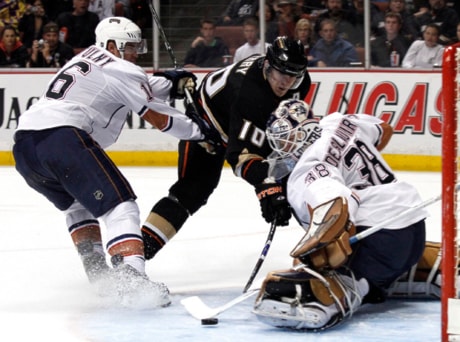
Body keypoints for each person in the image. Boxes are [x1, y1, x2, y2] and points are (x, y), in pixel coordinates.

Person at [12, 16, 207, 307]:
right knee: (120, 206)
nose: (135, 53)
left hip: (26, 149)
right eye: (130, 47)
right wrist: (203, 132)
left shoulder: (88, 58)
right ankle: (132, 280)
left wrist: (170, 81)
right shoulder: (120, 68)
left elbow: (138, 83)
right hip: (60, 139)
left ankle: (99, 275)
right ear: (111, 45)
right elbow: (160, 118)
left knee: (78, 207)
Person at [253, 99, 428, 331]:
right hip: (413, 224)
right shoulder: (339, 121)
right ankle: (423, 266)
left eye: (289, 139)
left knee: (304, 279)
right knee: (375, 259)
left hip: (380, 239)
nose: (284, 147)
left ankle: (354, 287)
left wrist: (311, 252)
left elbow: (334, 204)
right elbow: (383, 129)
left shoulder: (308, 166)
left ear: (305, 132)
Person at [141, 37, 312, 264]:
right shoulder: (249, 92)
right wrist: (267, 188)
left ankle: (322, 245)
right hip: (207, 128)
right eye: (282, 74)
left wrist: (275, 181)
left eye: (294, 75)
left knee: (294, 180)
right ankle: (135, 255)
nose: (287, 82)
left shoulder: (299, 81)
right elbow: (240, 157)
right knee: (191, 192)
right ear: (269, 66)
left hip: (244, 121)